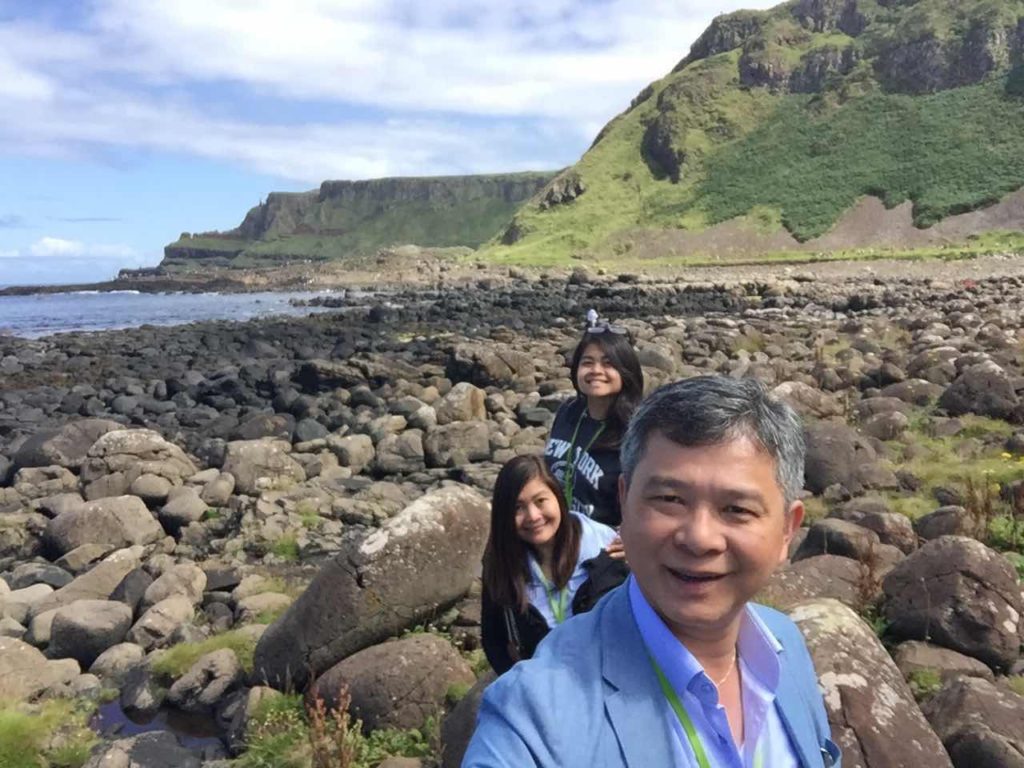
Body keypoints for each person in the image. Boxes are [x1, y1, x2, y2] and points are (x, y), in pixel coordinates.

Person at [464, 376, 841, 768]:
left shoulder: (786, 646)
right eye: (670, 499)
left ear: (786, 531)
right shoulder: (533, 716)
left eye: (736, 509)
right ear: (624, 503)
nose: (699, 538)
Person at [480, 455, 620, 675]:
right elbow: (494, 641)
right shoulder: (501, 565)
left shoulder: (610, 549)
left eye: (540, 501)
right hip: (545, 697)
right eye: (518, 508)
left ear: (558, 496)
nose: (533, 516)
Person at [544, 313, 644, 527]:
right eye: (587, 363)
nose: (596, 371)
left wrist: (630, 539)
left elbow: (655, 498)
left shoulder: (637, 431)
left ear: (625, 372)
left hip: (602, 547)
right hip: (558, 534)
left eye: (608, 364)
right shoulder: (568, 413)